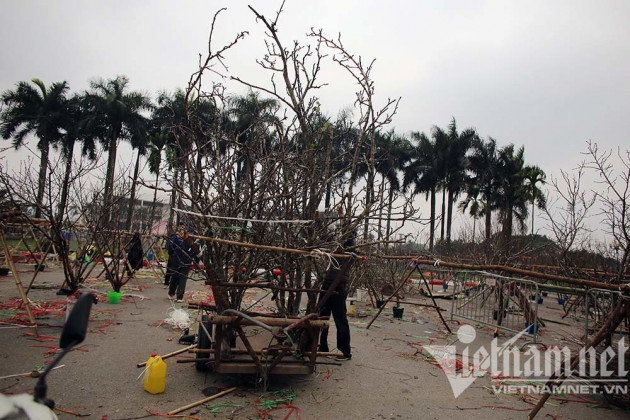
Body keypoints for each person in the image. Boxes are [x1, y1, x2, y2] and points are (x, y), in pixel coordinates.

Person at [318, 208, 355, 361]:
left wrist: (342, 217)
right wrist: (317, 222)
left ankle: (345, 351)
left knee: (340, 319)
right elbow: (323, 236)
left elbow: (349, 233)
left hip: (339, 286)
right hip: (326, 284)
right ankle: (322, 346)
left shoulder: (348, 248)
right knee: (322, 317)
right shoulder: (332, 247)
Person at [167, 226, 200, 303]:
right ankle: (179, 297)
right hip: (186, 261)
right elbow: (197, 252)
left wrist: (171, 253)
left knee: (174, 277)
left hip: (176, 259)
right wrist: (196, 262)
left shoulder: (177, 237)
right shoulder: (194, 240)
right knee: (182, 279)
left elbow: (171, 246)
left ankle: (171, 292)